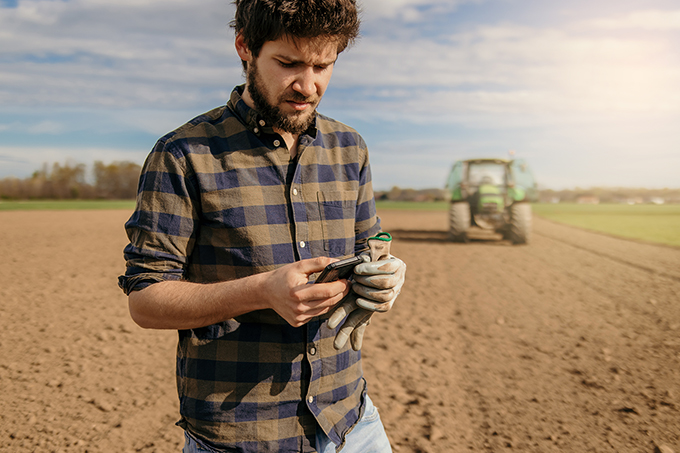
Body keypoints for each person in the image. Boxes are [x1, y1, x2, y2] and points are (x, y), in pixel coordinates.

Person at [118, 1, 406, 452]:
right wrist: (261, 291)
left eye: (323, 65)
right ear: (245, 48)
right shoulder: (183, 154)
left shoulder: (351, 148)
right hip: (242, 435)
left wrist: (384, 274)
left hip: (350, 420)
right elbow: (146, 300)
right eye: (288, 63)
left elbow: (370, 247)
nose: (307, 85)